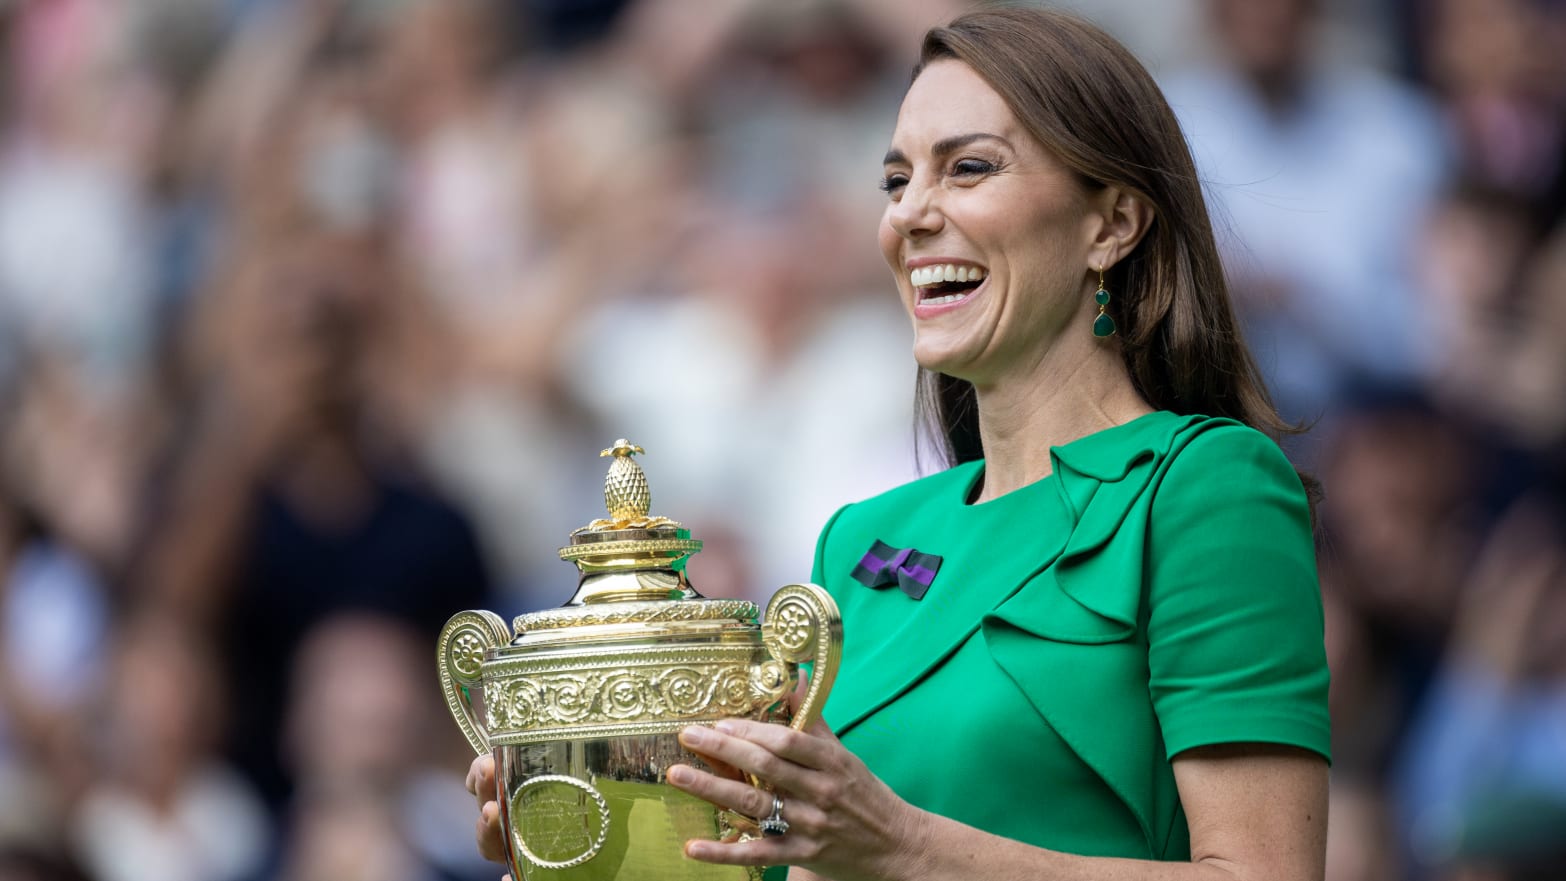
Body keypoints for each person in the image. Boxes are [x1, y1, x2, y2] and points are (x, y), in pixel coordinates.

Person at [467, 7, 1330, 880]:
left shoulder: (1208, 486)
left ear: (1112, 224)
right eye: (895, 180)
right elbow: (801, 862)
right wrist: (604, 840)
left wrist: (906, 847)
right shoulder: (857, 542)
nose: (911, 214)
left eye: (969, 168)